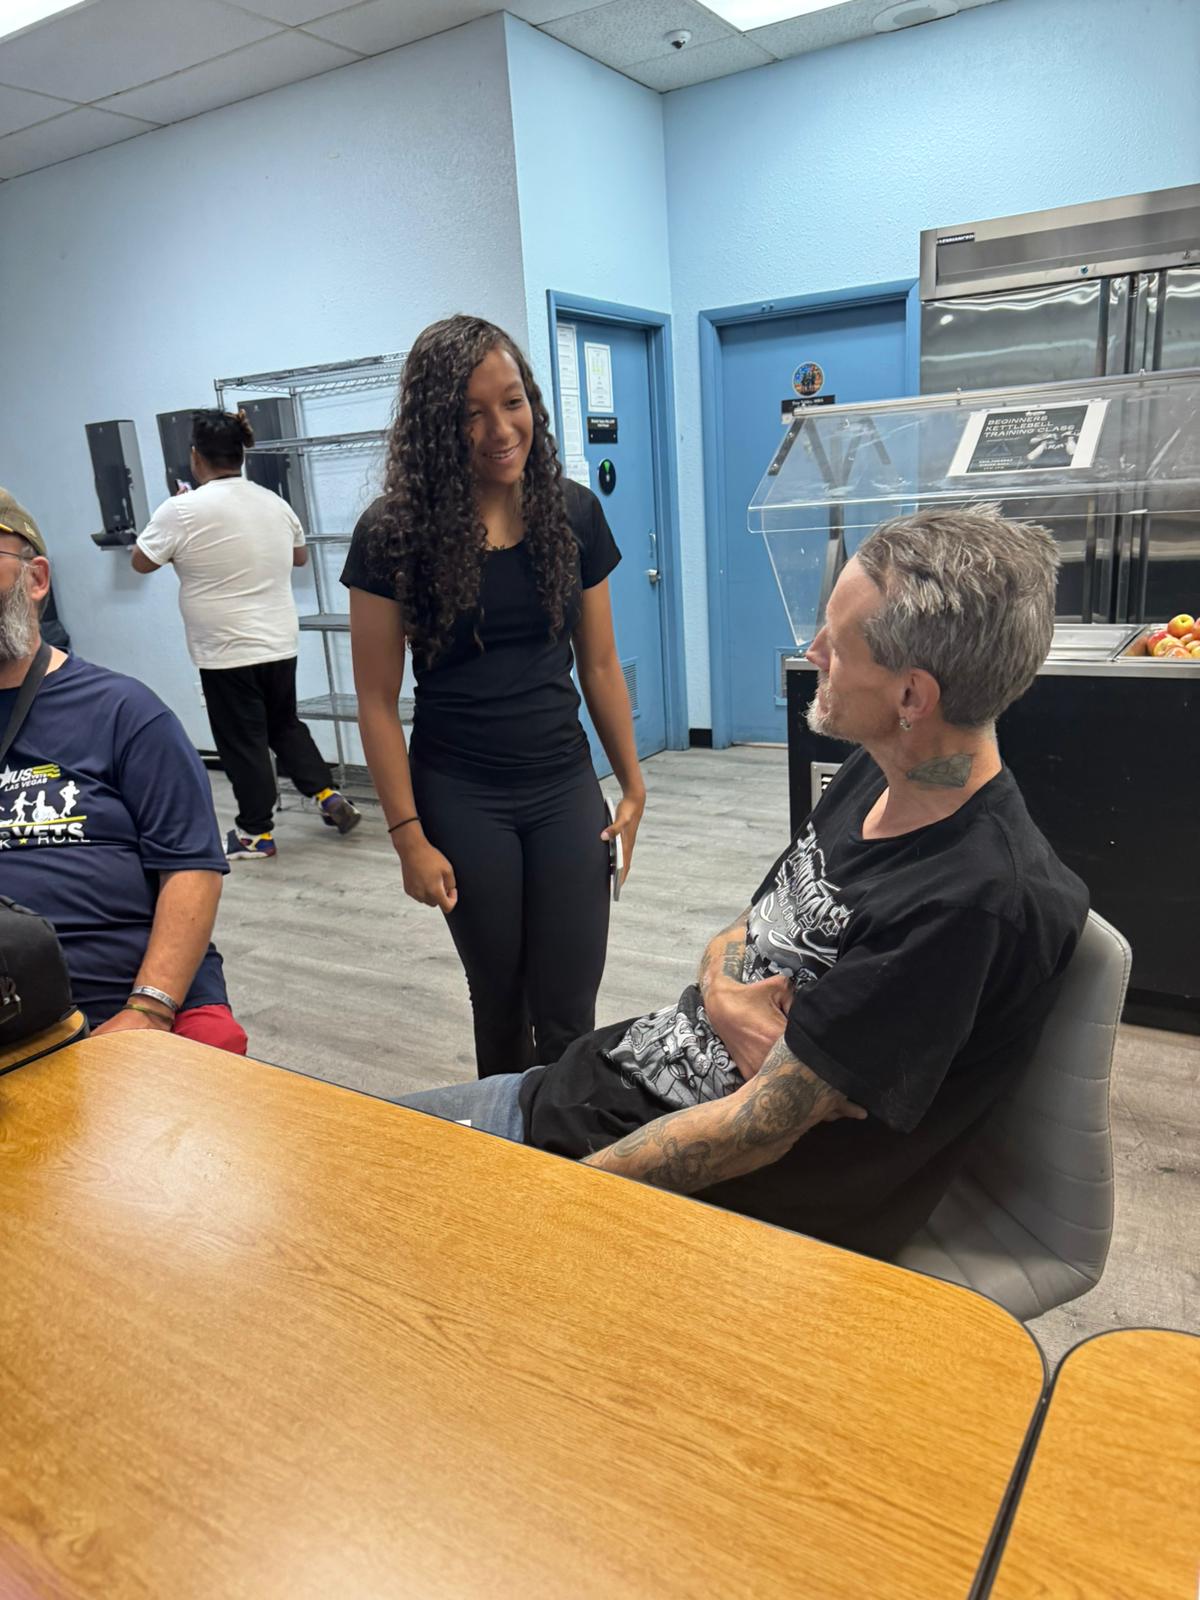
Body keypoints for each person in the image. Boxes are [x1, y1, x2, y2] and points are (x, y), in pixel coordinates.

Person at [391, 508, 1090, 1260]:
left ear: (912, 699)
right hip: (601, 1089)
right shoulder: (881, 772)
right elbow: (746, 930)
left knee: (373, 1196)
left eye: (836, 646)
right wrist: (724, 995)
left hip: (655, 1190)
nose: (813, 652)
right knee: (358, 1150)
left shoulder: (970, 904)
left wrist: (550, 1203)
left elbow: (752, 1132)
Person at [343, 315, 645, 1078]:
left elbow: (599, 665)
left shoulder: (572, 513)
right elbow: (376, 699)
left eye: (512, 403)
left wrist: (633, 784)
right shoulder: (392, 534)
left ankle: (566, 1143)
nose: (501, 430)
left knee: (569, 1007)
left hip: (562, 785)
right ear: (436, 428)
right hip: (461, 794)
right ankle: (507, 1147)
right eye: (471, 414)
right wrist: (407, 836)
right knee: (502, 1006)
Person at [0, 487, 246, 1051]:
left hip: (112, 1006)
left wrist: (150, 1009)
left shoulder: (124, 713)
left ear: (36, 579)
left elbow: (191, 867)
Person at [132, 408, 361, 861]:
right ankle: (326, 794)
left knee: (243, 741)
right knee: (283, 724)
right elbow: (299, 557)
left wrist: (185, 538)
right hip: (278, 639)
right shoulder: (273, 502)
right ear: (241, 455)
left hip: (225, 649)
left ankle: (255, 833)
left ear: (195, 457)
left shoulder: (181, 509)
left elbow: (141, 562)